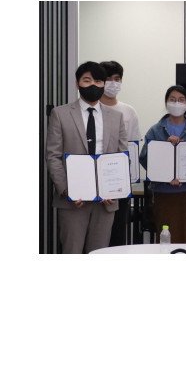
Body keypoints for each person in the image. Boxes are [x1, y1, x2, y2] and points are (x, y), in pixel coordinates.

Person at [46, 61, 127, 253]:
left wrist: (114, 189)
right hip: (73, 200)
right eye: (87, 80)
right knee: (72, 251)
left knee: (99, 253)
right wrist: (67, 191)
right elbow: (53, 156)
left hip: (106, 201)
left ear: (103, 85)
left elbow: (122, 157)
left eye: (98, 81)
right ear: (77, 83)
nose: (93, 85)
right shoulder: (60, 114)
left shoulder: (116, 117)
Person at [139, 85, 186, 244]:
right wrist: (164, 149)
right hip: (162, 192)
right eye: (173, 99)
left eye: (181, 100)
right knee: (165, 237)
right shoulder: (155, 130)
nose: (177, 103)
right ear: (166, 103)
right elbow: (144, 158)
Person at [99, 60, 141, 247]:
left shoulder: (128, 111)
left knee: (117, 234)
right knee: (96, 235)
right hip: (96, 180)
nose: (113, 83)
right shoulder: (93, 109)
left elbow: (132, 147)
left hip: (119, 181)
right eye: (108, 79)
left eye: (117, 79)